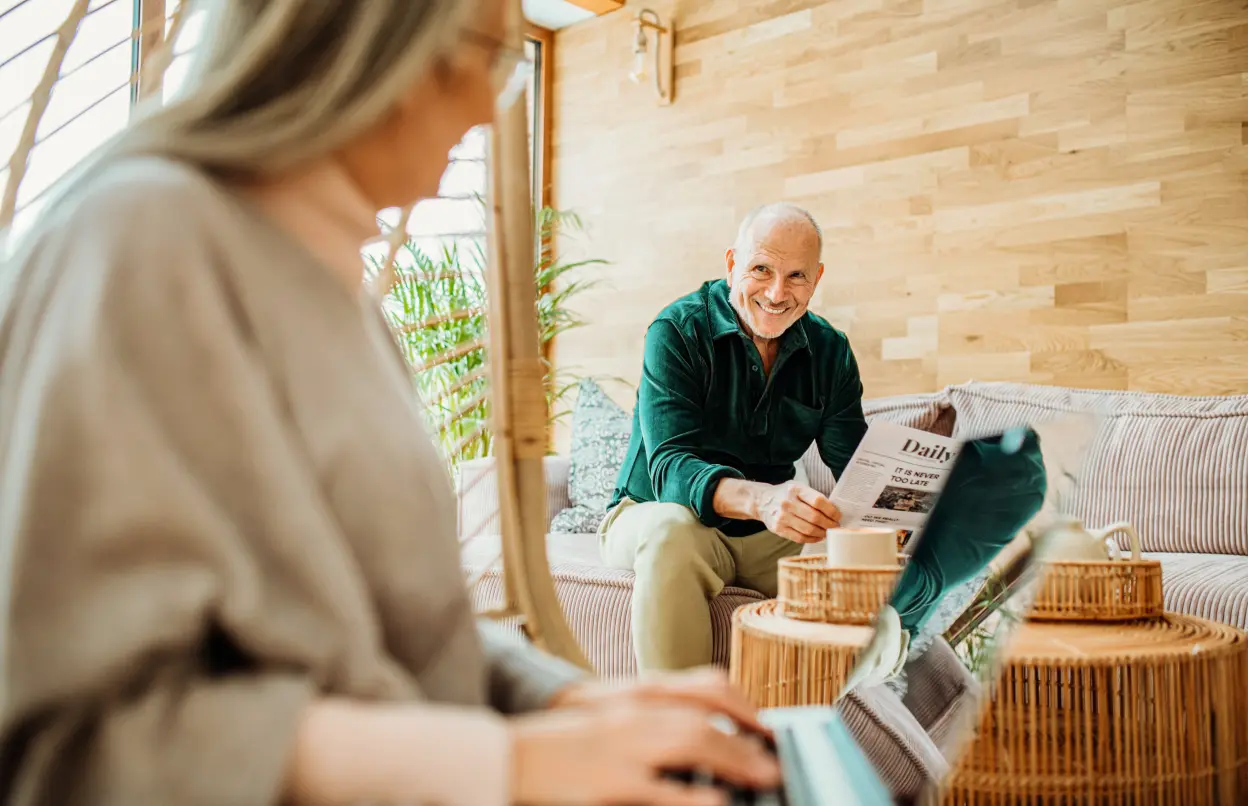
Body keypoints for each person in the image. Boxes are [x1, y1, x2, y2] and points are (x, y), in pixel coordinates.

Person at [0, 2, 781, 805]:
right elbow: (81, 744)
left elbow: (398, 630)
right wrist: (509, 767)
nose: (485, 108)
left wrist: (563, 699)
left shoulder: (342, 293)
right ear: (354, 38)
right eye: (471, 56)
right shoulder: (142, 238)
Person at [601, 203, 870, 673]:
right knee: (672, 532)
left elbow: (860, 467)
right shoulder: (677, 331)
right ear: (731, 264)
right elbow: (670, 469)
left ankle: (826, 725)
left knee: (857, 557)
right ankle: (683, 731)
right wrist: (764, 500)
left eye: (796, 276)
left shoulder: (830, 351)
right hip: (656, 513)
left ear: (817, 278)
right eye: (760, 269)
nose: (776, 292)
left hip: (765, 537)